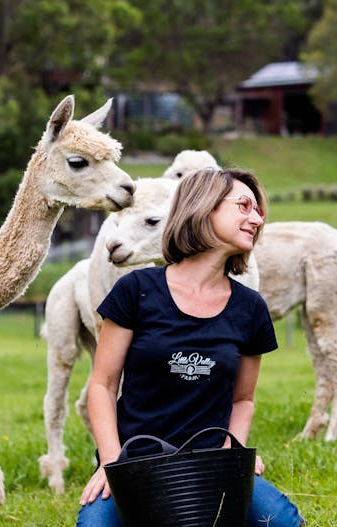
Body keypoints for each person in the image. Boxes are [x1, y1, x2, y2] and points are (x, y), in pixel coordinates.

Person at [76, 168, 304, 527]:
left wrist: (235, 452)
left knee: (282, 522)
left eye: (259, 211)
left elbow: (243, 399)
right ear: (204, 207)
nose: (257, 219)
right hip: (134, 459)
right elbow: (102, 385)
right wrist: (110, 462)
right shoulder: (136, 291)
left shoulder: (250, 308)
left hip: (212, 461)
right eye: (244, 206)